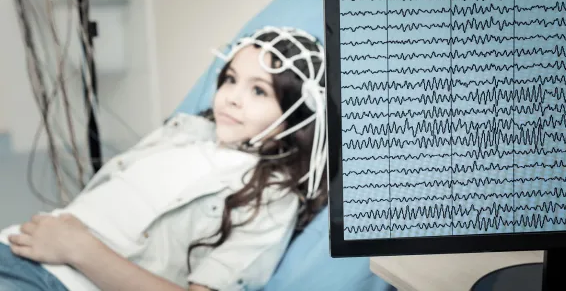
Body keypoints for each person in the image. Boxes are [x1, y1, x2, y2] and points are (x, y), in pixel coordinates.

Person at [0, 26, 328, 291]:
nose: (232, 98)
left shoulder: (270, 198)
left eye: (259, 90)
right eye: (230, 79)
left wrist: (79, 249)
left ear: (293, 117)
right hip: (17, 247)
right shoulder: (187, 131)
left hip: (55, 279)